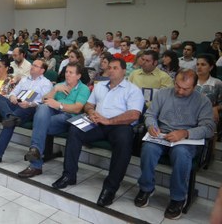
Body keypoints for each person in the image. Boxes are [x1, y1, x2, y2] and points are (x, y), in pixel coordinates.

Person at [52, 58, 144, 208]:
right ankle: (69, 175)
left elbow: (134, 115)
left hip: (120, 125)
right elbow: (88, 105)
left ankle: (110, 188)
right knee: (75, 129)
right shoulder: (100, 86)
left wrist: (109, 121)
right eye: (110, 68)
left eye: (115, 68)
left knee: (124, 141)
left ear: (123, 71)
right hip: (97, 122)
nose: (111, 70)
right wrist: (91, 112)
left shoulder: (133, 90)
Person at [134, 69, 214, 220]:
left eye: (185, 89)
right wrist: (151, 125)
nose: (180, 91)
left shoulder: (203, 101)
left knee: (181, 153)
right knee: (148, 149)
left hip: (186, 139)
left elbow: (209, 128)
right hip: (162, 135)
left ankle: (178, 198)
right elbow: (150, 114)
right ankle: (146, 188)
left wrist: (185, 133)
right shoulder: (163, 94)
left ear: (195, 86)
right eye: (177, 86)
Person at [18, 62, 90, 178]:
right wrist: (55, 89)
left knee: (40, 123)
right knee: (42, 107)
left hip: (68, 118)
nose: (67, 75)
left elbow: (77, 109)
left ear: (78, 76)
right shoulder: (60, 85)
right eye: (66, 72)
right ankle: (35, 150)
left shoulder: (83, 89)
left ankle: (35, 163)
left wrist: (59, 105)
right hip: (53, 115)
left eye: (71, 73)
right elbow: (44, 99)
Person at [0, 59, 53, 166]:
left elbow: (43, 101)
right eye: (32, 64)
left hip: (28, 108)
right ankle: (9, 116)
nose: (32, 66)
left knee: (9, 124)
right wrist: (13, 96)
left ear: (42, 70)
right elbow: (13, 92)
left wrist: (30, 104)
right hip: (15, 105)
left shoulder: (46, 83)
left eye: (36, 66)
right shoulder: (24, 79)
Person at [196, 54, 222, 129]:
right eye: (197, 64)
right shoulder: (190, 81)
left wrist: (216, 108)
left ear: (211, 67)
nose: (199, 67)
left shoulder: (217, 83)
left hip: (208, 114)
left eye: (203, 64)